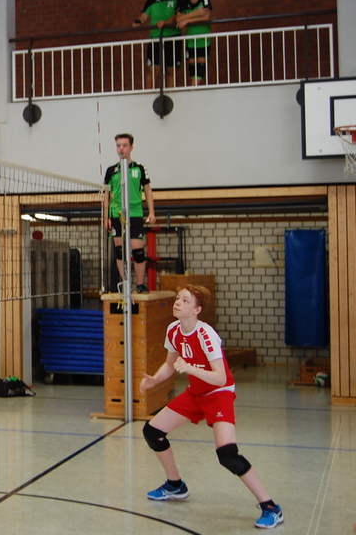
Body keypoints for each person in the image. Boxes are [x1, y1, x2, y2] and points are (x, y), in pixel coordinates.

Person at [140, 285, 283, 530]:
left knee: (227, 454)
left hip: (218, 394)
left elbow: (220, 377)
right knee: (152, 432)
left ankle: (271, 507)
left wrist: (191, 369)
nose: (178, 302)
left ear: (197, 310)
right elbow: (170, 364)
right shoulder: (173, 330)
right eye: (178, 298)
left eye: (185, 300)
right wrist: (155, 379)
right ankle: (175, 485)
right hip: (196, 393)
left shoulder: (206, 335)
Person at [103, 133, 155, 293]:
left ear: (131, 147)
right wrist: (106, 217)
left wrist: (151, 212)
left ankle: (139, 284)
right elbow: (106, 195)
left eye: (124, 145)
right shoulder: (111, 170)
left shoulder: (139, 168)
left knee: (138, 250)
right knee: (119, 250)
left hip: (135, 213)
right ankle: (125, 283)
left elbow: (148, 190)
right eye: (118, 145)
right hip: (116, 213)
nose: (121, 148)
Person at [134, 0, 182, 89]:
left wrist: (165, 22)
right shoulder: (151, 0)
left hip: (173, 38)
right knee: (153, 69)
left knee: (170, 70)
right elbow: (144, 16)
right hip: (156, 39)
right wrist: (139, 22)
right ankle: (150, 96)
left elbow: (178, 16)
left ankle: (170, 96)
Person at [176, 0, 213, 86]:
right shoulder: (184, 1)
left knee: (200, 69)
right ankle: (193, 90)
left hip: (203, 40)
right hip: (191, 41)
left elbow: (205, 17)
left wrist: (187, 20)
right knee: (192, 70)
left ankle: (192, 91)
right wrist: (196, 13)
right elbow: (178, 19)